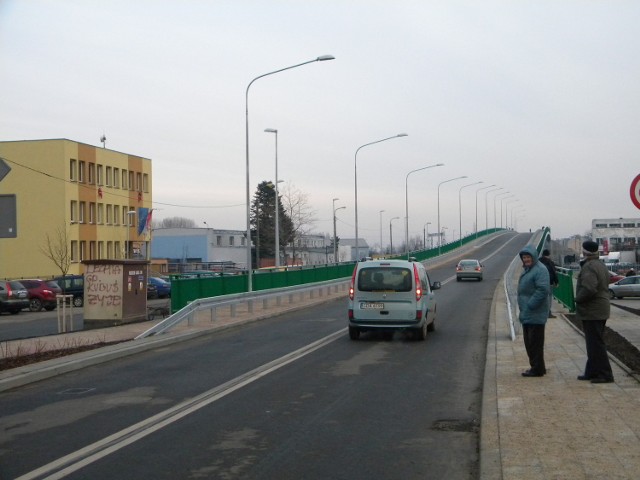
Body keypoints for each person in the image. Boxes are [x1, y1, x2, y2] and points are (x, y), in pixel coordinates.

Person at [575, 240, 614, 384]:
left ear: (584, 252)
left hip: (593, 310)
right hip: (600, 308)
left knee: (595, 344)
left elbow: (589, 288)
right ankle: (591, 372)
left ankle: (605, 374)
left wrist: (577, 299)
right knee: (594, 343)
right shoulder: (600, 264)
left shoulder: (589, 267)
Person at [517, 244, 551, 377]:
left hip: (535, 312)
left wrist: (530, 305)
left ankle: (536, 369)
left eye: (528, 257)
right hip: (528, 312)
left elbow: (543, 290)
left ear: (534, 257)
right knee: (530, 342)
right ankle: (538, 367)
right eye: (524, 257)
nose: (526, 259)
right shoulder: (528, 269)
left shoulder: (540, 270)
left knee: (534, 343)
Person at [538, 249, 559, 318]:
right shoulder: (550, 262)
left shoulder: (538, 261)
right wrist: (556, 282)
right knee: (549, 297)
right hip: (549, 282)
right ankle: (548, 313)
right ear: (549, 255)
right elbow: (554, 272)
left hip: (539, 282)